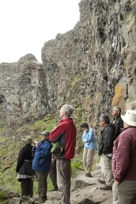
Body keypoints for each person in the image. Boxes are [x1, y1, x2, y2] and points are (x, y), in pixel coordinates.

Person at [49, 104, 77, 204]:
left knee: (62, 182)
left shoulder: (64, 125)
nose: (59, 112)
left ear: (65, 113)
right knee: (66, 181)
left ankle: (65, 202)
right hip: (67, 156)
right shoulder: (72, 124)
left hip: (62, 157)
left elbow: (52, 137)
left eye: (61, 110)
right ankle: (66, 201)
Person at [112, 110, 136, 204]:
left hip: (128, 179)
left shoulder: (126, 135)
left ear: (126, 121)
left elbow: (123, 159)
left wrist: (117, 178)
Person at [32, 131, 52, 204]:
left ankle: (42, 198)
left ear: (47, 136)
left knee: (42, 183)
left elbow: (43, 154)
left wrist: (37, 148)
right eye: (42, 135)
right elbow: (35, 151)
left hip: (42, 166)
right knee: (39, 182)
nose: (42, 137)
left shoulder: (48, 144)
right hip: (37, 166)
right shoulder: (41, 142)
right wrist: (35, 146)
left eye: (43, 135)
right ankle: (41, 196)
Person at [98, 114, 115, 190]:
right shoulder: (107, 128)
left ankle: (109, 184)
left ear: (104, 121)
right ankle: (106, 180)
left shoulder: (109, 129)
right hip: (105, 152)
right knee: (104, 167)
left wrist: (104, 151)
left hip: (106, 152)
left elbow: (107, 142)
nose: (99, 123)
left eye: (100, 121)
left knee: (107, 167)